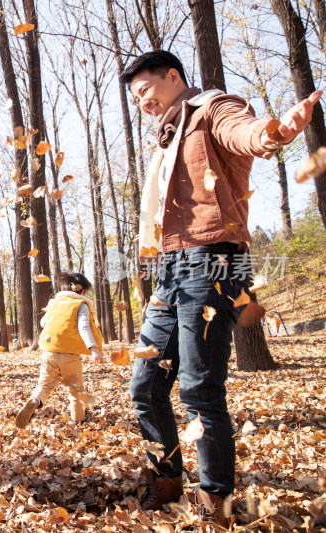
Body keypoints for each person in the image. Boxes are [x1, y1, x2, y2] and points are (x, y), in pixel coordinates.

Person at [121, 50, 320, 527]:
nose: (142, 101)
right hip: (170, 269)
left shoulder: (213, 108)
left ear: (173, 77)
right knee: (146, 386)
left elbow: (244, 132)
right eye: (134, 97)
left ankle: (216, 504)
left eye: (145, 90)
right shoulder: (166, 138)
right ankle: (166, 481)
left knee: (199, 389)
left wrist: (275, 131)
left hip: (214, 262)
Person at [15, 272, 104, 429]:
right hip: (68, 355)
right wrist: (94, 348)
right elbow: (84, 327)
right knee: (76, 390)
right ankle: (78, 421)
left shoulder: (54, 304)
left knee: (44, 385)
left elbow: (43, 323)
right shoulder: (80, 305)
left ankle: (35, 400)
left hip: (48, 352)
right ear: (82, 291)